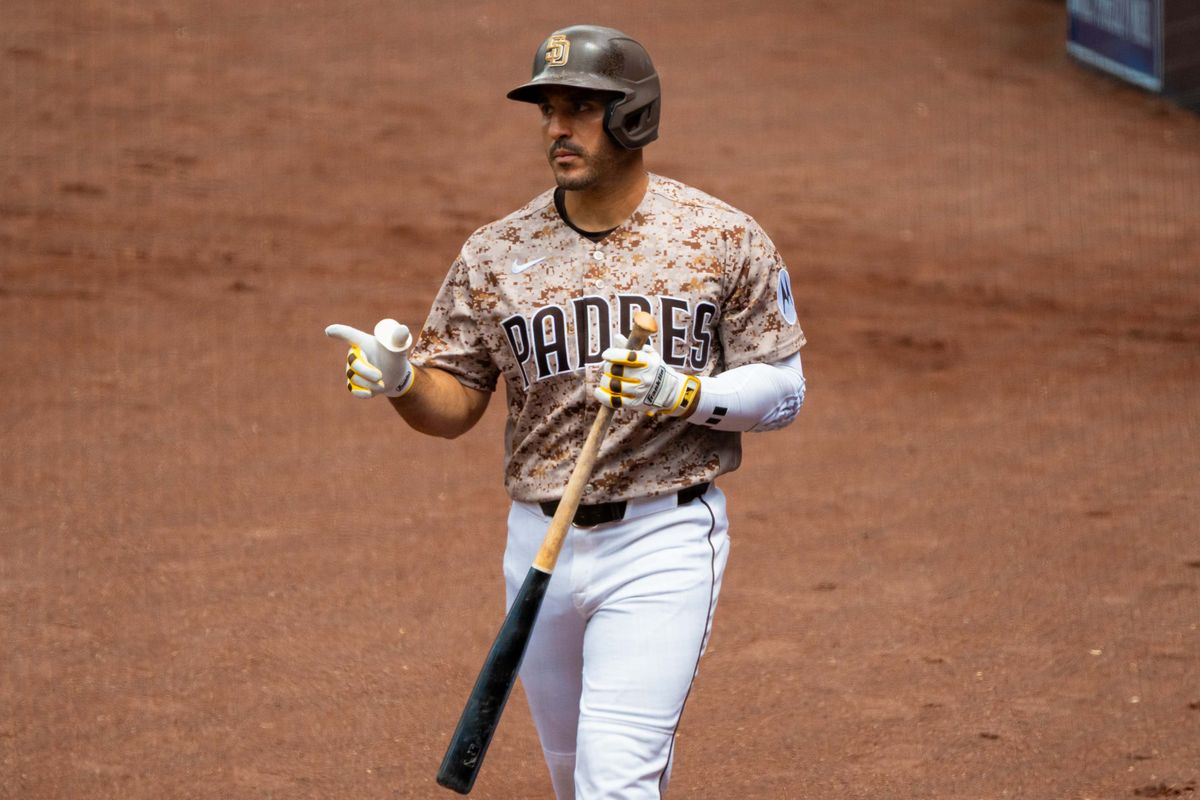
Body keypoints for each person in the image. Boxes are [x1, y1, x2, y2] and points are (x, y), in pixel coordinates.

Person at [326, 24, 807, 799]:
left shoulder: (719, 238)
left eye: (581, 108)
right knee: (569, 779)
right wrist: (402, 384)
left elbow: (784, 390)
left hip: (662, 540)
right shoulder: (496, 252)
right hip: (537, 545)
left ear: (633, 117)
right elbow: (458, 404)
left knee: (613, 782)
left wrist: (686, 394)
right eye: (548, 109)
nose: (556, 127)